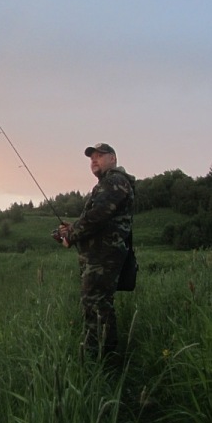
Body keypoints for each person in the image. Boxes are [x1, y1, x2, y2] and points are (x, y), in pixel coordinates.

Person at [53, 143, 135, 359]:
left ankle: (99, 358)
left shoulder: (115, 181)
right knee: (96, 304)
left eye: (100, 156)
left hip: (103, 258)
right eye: (92, 158)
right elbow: (96, 220)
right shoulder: (106, 184)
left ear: (113, 158)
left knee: (97, 305)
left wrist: (70, 235)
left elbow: (96, 217)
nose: (94, 160)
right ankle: (102, 353)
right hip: (98, 257)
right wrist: (69, 229)